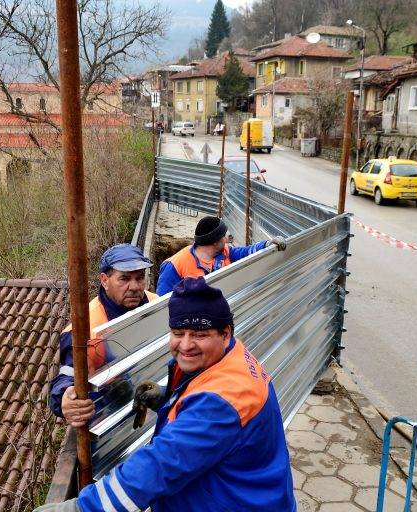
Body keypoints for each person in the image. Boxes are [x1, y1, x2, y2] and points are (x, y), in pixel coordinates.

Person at [37, 277, 296, 512]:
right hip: (242, 492)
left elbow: (159, 466)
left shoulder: (223, 400)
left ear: (225, 333)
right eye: (177, 333)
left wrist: (81, 509)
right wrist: (168, 397)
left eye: (199, 335)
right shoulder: (229, 355)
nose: (185, 345)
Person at [48, 244, 157, 428]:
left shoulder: (156, 303)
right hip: (109, 418)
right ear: (105, 280)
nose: (134, 287)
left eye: (139, 278)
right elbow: (68, 374)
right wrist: (64, 397)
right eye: (124, 279)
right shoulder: (84, 330)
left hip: (153, 406)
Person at [155, 215, 286, 295]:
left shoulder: (225, 252)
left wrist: (267, 244)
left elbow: (246, 252)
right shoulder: (174, 266)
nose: (227, 238)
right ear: (215, 241)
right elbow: (161, 305)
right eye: (224, 236)